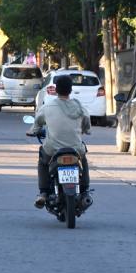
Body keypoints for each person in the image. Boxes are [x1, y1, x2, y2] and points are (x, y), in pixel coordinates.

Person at [28, 75, 91, 208]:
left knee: (43, 162)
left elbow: (37, 124)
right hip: (75, 149)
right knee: (83, 160)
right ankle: (84, 191)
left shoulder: (47, 107)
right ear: (70, 89)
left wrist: (33, 131)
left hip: (53, 149)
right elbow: (86, 123)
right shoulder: (79, 107)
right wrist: (85, 130)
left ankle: (44, 193)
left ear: (56, 90)